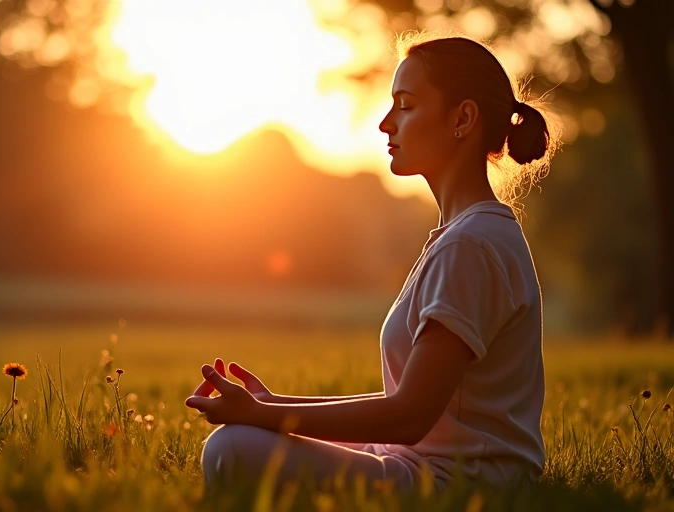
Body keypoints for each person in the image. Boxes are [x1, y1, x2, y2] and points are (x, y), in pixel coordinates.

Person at [184, 31, 559, 495]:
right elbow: (409, 407)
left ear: (462, 117)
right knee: (246, 437)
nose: (385, 124)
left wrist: (263, 415)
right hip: (428, 461)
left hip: (462, 483)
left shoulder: (472, 245)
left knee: (232, 448)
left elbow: (408, 417)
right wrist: (273, 403)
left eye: (405, 104)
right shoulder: (465, 236)